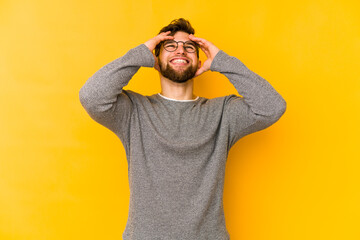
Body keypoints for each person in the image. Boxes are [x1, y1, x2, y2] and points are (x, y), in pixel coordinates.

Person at [79, 18, 286, 240]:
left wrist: (223, 62)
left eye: (189, 47)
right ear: (156, 60)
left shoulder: (223, 114)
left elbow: (272, 107)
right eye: (171, 46)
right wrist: (140, 54)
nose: (181, 50)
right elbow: (92, 97)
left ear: (199, 62)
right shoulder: (134, 111)